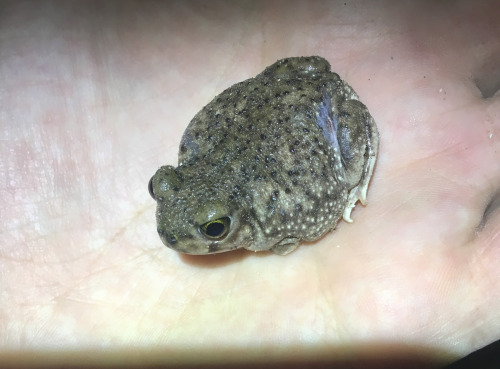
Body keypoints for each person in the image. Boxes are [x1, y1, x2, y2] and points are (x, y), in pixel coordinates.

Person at [1, 1, 499, 368]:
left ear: (237, 222)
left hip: (321, 110)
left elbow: (306, 222)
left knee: (347, 169)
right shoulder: (197, 152)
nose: (171, 236)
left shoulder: (267, 214)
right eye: (163, 187)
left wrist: (335, 198)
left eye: (213, 228)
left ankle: (356, 177)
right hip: (287, 81)